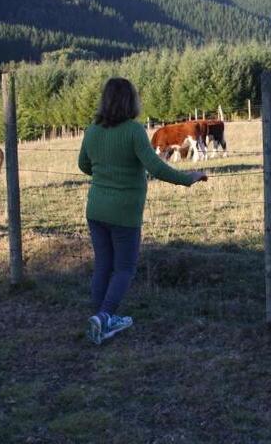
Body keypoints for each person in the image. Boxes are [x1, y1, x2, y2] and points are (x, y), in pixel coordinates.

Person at [78, 77, 207, 345]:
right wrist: (189, 177)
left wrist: (105, 172)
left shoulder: (92, 131)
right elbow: (156, 168)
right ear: (130, 101)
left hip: (96, 209)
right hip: (124, 213)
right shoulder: (134, 131)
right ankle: (103, 317)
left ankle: (99, 316)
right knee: (124, 268)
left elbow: (84, 165)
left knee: (103, 265)